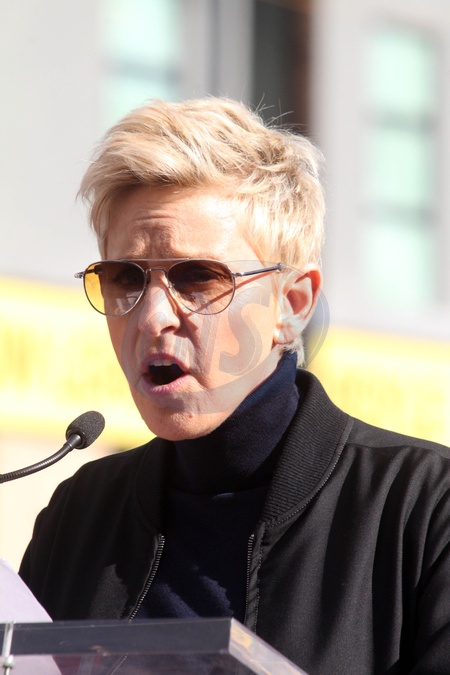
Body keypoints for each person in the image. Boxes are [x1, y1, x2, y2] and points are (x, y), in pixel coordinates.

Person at [19, 97, 450, 674]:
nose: (152, 318)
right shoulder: (79, 515)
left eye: (198, 277)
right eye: (124, 278)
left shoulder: (423, 508)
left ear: (291, 305)